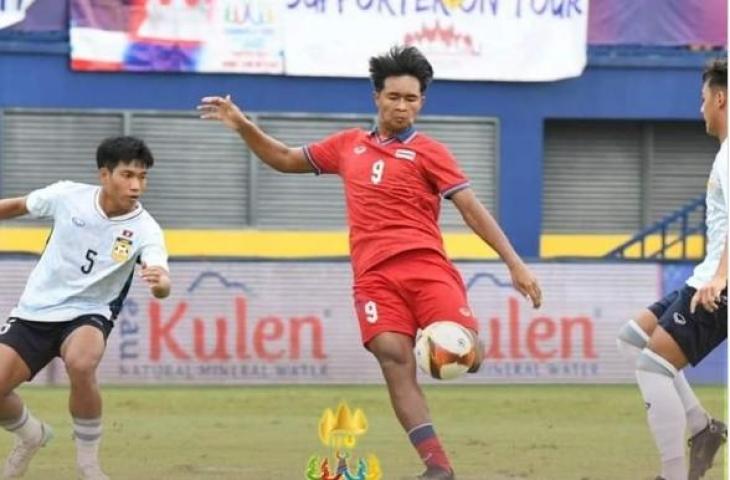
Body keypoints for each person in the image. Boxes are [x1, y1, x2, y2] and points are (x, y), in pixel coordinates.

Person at [199, 45, 541, 479]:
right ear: (377, 97)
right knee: (392, 355)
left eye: (411, 99)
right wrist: (243, 125)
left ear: (422, 102)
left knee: (463, 356)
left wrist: (515, 264)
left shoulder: (431, 152)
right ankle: (438, 468)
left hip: (427, 270)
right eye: (394, 97)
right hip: (374, 279)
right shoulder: (347, 146)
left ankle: (468, 349)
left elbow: (472, 209)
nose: (402, 106)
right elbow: (284, 159)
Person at [0, 136, 171, 480]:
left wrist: (160, 283)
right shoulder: (67, 197)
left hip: (90, 311)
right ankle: (31, 435)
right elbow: (17, 206)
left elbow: (162, 280)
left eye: (143, 176)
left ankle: (88, 464)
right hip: (35, 310)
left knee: (81, 361)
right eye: (127, 175)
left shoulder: (146, 229)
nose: (136, 185)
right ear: (104, 175)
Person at [616, 59, 727, 480]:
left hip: (717, 284)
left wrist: (720, 277)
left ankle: (673, 474)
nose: (700, 110)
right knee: (631, 339)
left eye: (702, 101)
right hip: (705, 276)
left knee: (653, 367)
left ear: (720, 98)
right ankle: (702, 428)